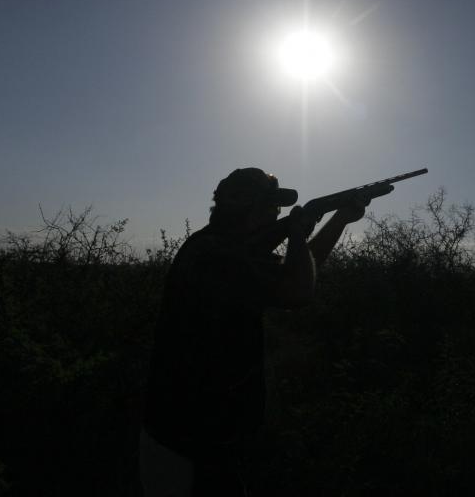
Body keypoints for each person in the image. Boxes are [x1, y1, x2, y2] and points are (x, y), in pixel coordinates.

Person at [139, 168, 366, 496]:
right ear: (244, 206)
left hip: (212, 438)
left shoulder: (232, 252)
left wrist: (339, 219)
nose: (276, 213)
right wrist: (296, 234)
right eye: (270, 207)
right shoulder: (214, 256)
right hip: (182, 440)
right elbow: (297, 290)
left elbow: (302, 270)